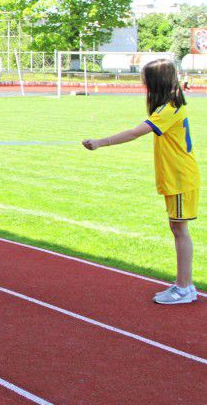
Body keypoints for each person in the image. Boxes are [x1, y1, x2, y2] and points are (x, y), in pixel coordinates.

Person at [82, 59, 200, 304]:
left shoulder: (168, 109)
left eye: (146, 79)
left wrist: (100, 142)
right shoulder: (170, 104)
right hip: (176, 175)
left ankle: (185, 287)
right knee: (177, 229)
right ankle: (183, 284)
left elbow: (136, 132)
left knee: (180, 230)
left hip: (180, 177)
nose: (143, 83)